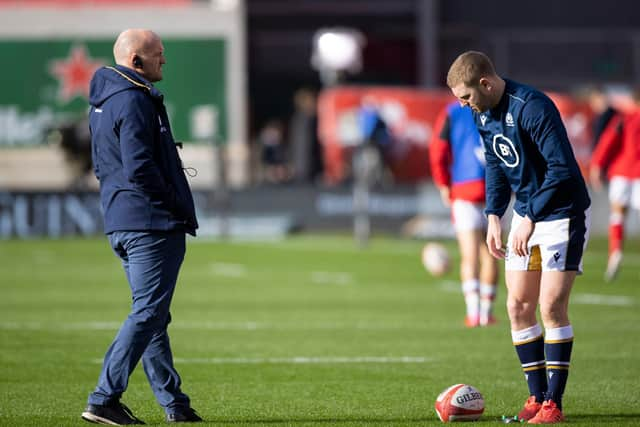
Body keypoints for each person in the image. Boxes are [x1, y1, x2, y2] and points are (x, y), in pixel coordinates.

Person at [447, 51, 591, 424]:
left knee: (551, 308)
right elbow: (495, 163)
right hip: (527, 215)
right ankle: (535, 396)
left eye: (465, 97)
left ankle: (553, 406)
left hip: (561, 215)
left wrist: (527, 215)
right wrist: (494, 214)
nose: (463, 106)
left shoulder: (533, 107)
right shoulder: (482, 113)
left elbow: (562, 169)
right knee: (516, 307)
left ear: (485, 83)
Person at [82, 29, 201, 425]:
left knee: (152, 315)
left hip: (121, 220)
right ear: (136, 60)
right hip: (149, 223)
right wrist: (174, 202)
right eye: (158, 55)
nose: (163, 61)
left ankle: (175, 405)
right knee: (148, 312)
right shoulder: (134, 99)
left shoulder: (105, 100)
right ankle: (104, 398)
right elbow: (139, 168)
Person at [429, 101, 499, 328]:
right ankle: (487, 314)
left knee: (470, 256)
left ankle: (473, 314)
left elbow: (438, 148)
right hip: (494, 187)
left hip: (464, 187)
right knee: (491, 252)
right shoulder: (497, 107)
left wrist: (442, 183)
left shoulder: (452, 111)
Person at [589, 88, 640, 282]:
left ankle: (616, 251)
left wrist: (597, 165)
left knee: (618, 213)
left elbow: (607, 141)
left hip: (622, 171)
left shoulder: (623, 118)